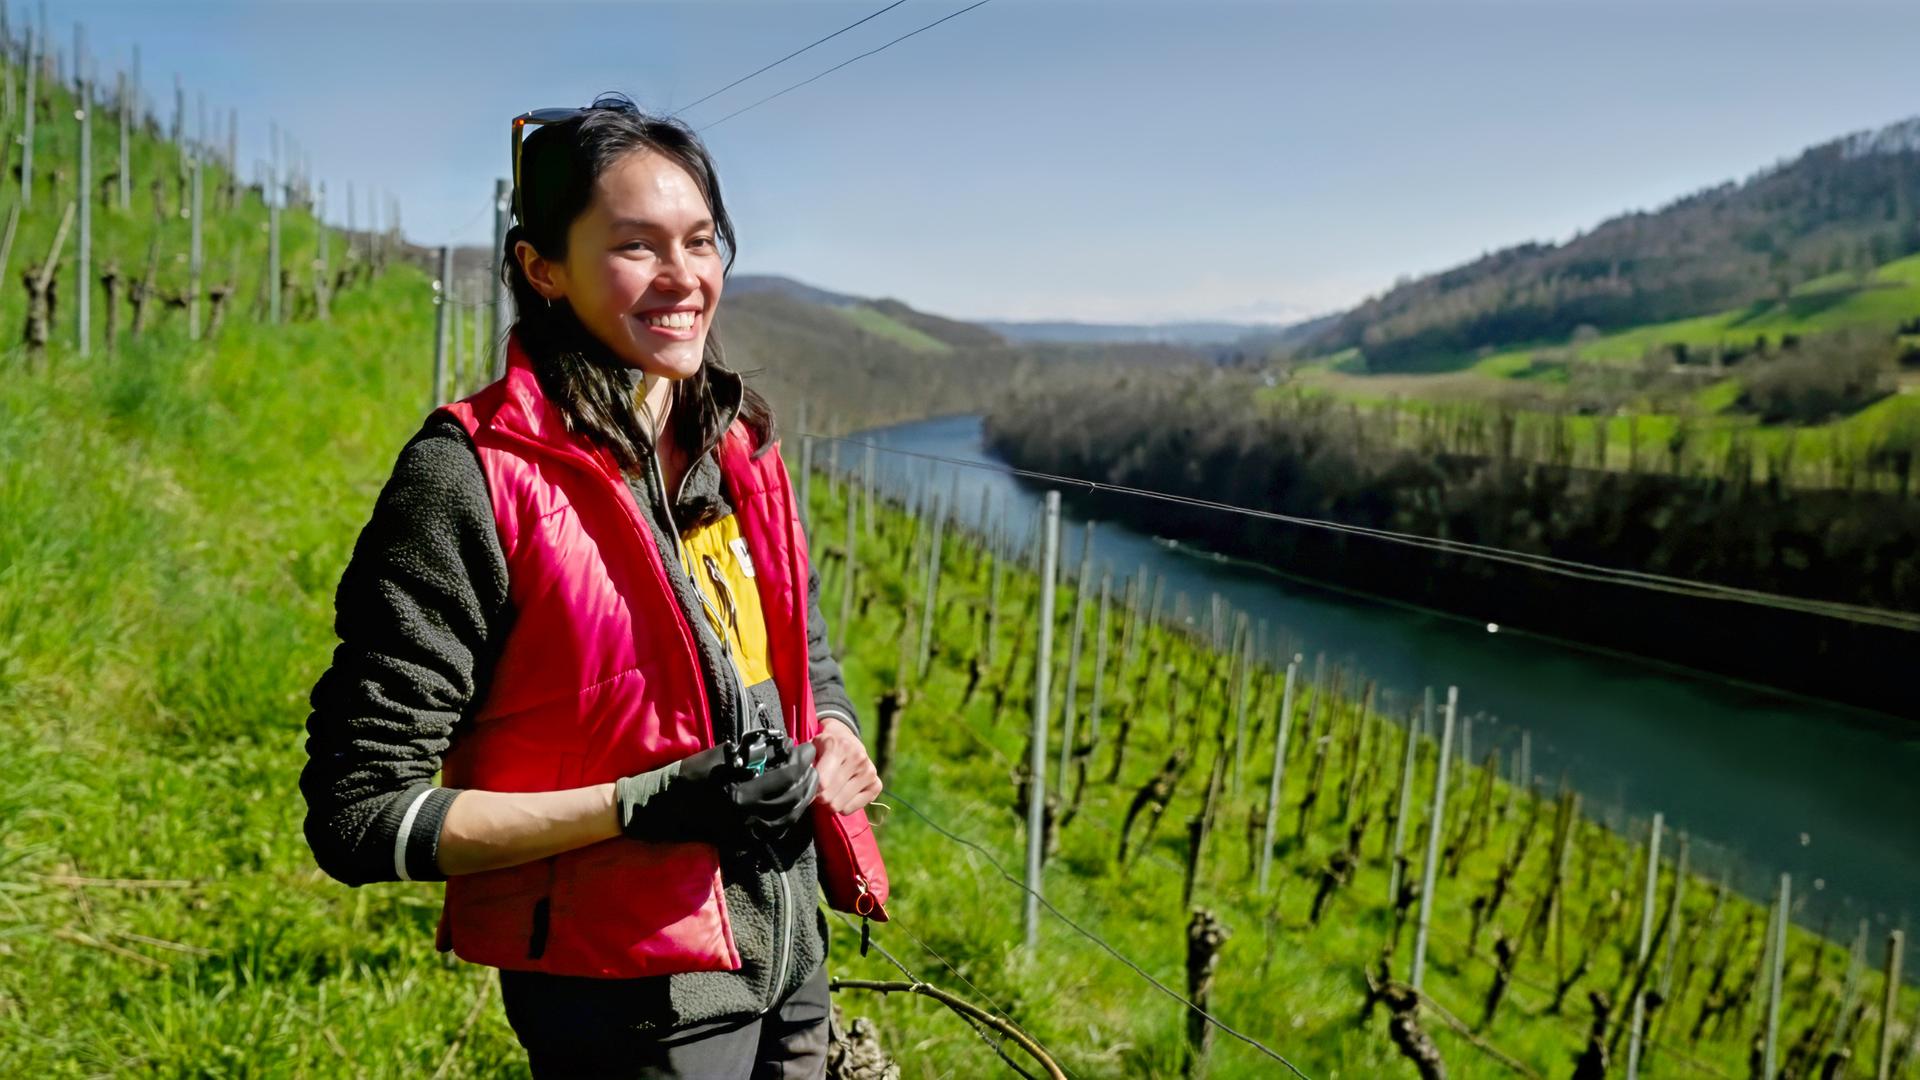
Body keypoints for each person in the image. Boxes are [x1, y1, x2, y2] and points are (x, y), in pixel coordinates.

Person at [297, 93, 885, 1078]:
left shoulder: (738, 446)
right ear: (543, 269)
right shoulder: (472, 479)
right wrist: (644, 803)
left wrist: (837, 734)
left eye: (701, 241)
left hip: (790, 956)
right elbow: (362, 814)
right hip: (629, 1004)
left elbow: (801, 654)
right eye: (635, 247)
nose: (683, 277)